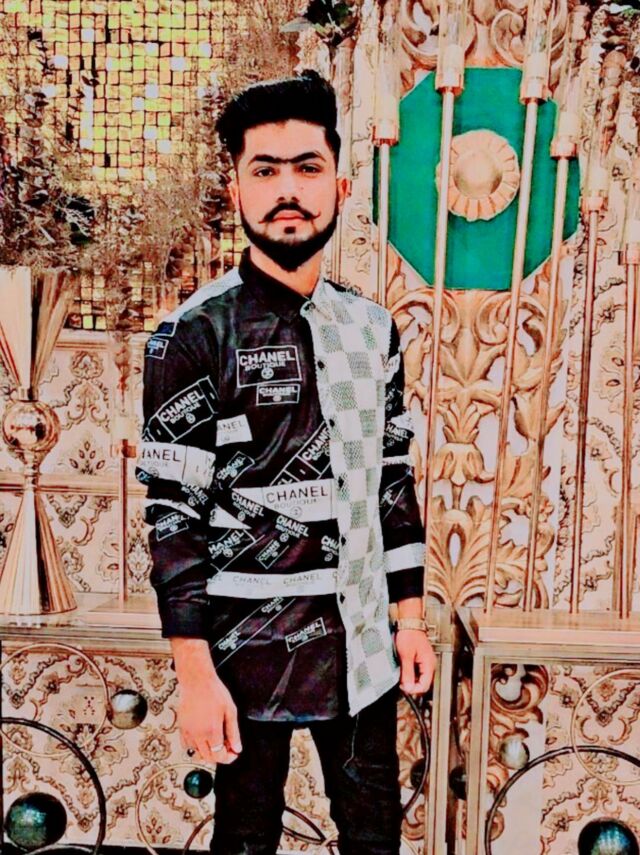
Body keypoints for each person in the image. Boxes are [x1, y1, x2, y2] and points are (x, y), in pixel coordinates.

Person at [136, 69, 436, 855]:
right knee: (245, 838)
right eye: (264, 171)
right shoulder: (191, 334)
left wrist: (410, 619)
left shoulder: (372, 329)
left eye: (307, 167)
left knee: (375, 836)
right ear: (235, 190)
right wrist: (193, 674)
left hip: (361, 640)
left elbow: (392, 479)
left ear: (340, 186)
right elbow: (172, 517)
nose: (288, 190)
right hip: (243, 647)